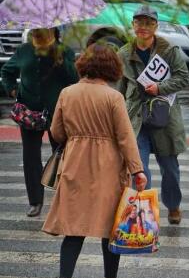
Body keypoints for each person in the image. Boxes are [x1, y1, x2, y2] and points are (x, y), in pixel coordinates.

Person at [41, 43, 147, 278]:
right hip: (107, 168)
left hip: (75, 164)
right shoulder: (114, 97)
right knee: (110, 229)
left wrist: (77, 137)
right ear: (111, 67)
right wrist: (137, 170)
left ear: (83, 64)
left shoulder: (67, 93)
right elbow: (125, 137)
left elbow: (56, 132)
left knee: (74, 230)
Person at [116, 5, 189, 225]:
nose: (143, 27)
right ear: (133, 25)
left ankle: (173, 205)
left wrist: (160, 88)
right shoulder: (123, 54)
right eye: (139, 22)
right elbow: (119, 89)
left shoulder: (169, 51)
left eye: (148, 23)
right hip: (136, 119)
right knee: (140, 170)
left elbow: (183, 78)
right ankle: (142, 216)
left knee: (170, 169)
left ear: (156, 26)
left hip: (163, 117)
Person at [1, 28, 78, 217]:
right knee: (31, 157)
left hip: (57, 112)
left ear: (51, 29)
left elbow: (74, 77)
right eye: (34, 29)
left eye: (41, 29)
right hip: (29, 113)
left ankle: (65, 197)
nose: (36, 32)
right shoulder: (24, 50)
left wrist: (58, 58)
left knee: (61, 156)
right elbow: (7, 71)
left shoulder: (64, 50)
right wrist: (13, 91)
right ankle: (35, 201)